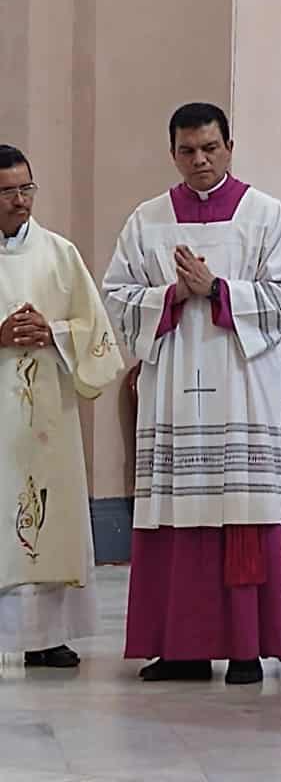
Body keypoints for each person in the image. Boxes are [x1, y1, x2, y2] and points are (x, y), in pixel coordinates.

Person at [103, 103, 281, 684]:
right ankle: (182, 648)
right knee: (176, 515)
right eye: (188, 150)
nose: (200, 160)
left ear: (229, 146)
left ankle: (246, 647)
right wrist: (170, 296)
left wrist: (217, 289)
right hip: (172, 388)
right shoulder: (147, 220)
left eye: (211, 148)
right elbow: (116, 294)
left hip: (242, 390)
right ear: (172, 153)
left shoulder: (265, 215)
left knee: (240, 511)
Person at [0, 145, 123, 667]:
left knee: (49, 516)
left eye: (27, 188)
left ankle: (47, 638)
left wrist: (54, 332)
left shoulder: (60, 253)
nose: (21, 201)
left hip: (48, 413)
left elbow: (98, 335)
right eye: (8, 191)